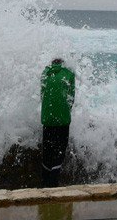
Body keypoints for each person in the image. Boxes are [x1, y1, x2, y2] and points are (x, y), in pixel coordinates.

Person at [41, 58, 75, 187]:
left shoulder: (45, 73)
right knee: (60, 150)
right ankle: (54, 181)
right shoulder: (69, 74)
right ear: (63, 63)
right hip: (63, 120)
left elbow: (42, 95)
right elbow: (71, 98)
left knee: (47, 150)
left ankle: (45, 182)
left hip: (47, 119)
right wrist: (65, 112)